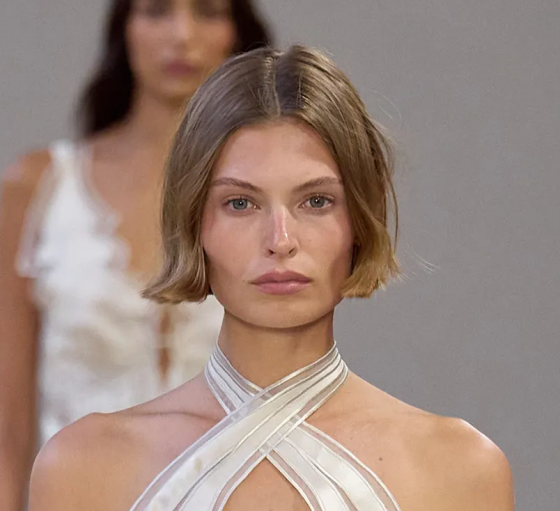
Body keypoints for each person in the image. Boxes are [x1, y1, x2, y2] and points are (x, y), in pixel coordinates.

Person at [28, 45, 514, 510]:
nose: (280, 240)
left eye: (316, 201)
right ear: (193, 222)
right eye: (241, 203)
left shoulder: (460, 470)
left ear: (360, 221)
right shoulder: (82, 467)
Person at [0, 0, 271, 509]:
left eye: (207, 9)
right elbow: (7, 433)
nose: (181, 35)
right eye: (156, 8)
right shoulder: (41, 189)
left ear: (236, 31)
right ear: (124, 25)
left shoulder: (271, 198)